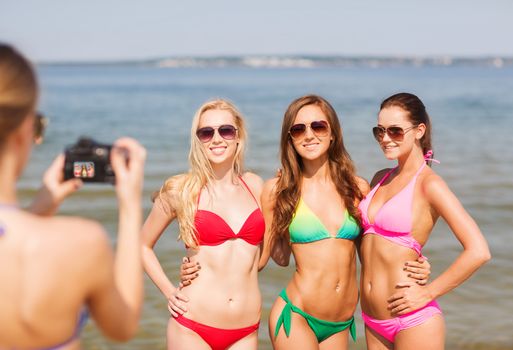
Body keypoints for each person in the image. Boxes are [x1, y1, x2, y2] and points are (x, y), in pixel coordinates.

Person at [180, 95, 431, 349]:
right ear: (290, 139)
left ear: (333, 133)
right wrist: (201, 264)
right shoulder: (279, 190)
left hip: (341, 323)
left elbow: (373, 250)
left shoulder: (357, 188)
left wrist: (412, 262)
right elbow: (269, 257)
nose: (309, 135)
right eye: (298, 129)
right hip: (296, 316)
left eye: (318, 126)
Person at [0, 44, 147, 349]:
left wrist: (44, 203)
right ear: (24, 130)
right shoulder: (80, 244)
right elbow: (124, 324)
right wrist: (131, 204)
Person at [359, 92, 491, 349]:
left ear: (419, 131)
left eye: (395, 131)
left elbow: (479, 251)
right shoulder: (380, 178)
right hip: (372, 319)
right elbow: (370, 243)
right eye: (380, 131)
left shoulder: (430, 185)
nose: (385, 139)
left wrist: (429, 292)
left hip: (413, 320)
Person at [141, 99, 264, 350]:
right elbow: (141, 246)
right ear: (198, 140)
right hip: (192, 327)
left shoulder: (256, 185)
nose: (216, 139)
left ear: (238, 136)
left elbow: (259, 258)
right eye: (206, 133)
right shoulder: (182, 190)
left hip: (246, 331)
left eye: (225, 130)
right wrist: (168, 291)